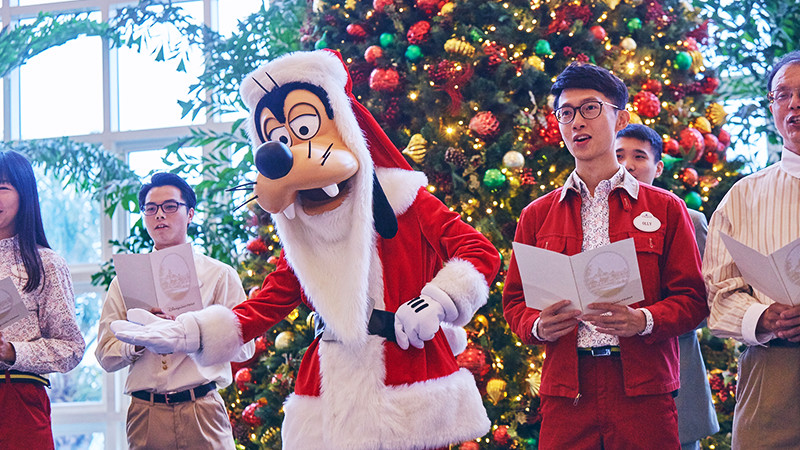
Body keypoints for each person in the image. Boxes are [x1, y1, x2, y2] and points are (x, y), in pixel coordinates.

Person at [502, 62, 708, 449]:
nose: (577, 121)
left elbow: (694, 300)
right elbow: (514, 303)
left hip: (643, 389)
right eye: (566, 112)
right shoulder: (536, 215)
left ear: (620, 118)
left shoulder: (665, 208)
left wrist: (642, 320)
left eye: (591, 108)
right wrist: (536, 326)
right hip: (567, 391)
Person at [95, 172, 255, 450]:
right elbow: (105, 356)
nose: (159, 215)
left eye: (170, 206)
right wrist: (141, 339)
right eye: (150, 208)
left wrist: (194, 331)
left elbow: (246, 348)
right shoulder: (124, 281)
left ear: (190, 213)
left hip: (201, 408)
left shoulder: (219, 275)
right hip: (147, 412)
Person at [703, 50, 800, 449]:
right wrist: (764, 317)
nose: (795, 105)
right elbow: (718, 294)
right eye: (783, 95)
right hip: (773, 370)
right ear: (772, 107)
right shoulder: (743, 197)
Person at [616, 123, 719, 449]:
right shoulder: (590, 218)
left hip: (673, 369)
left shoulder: (690, 219)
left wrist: (649, 317)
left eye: (638, 156)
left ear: (658, 167)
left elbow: (705, 305)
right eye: (618, 155)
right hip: (610, 380)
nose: (627, 165)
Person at [0, 150, 85, 450]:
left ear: (24, 194)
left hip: (18, 399)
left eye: (1, 188)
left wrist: (11, 351)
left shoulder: (46, 263)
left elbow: (71, 348)